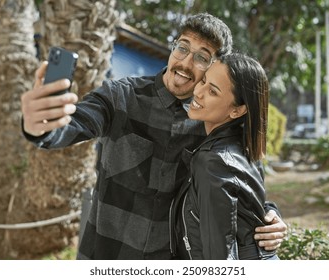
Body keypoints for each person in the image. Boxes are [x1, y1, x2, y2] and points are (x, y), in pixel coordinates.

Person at [21, 13, 287, 260]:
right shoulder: (121, 96)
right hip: (105, 256)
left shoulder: (215, 124)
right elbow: (72, 125)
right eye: (182, 48)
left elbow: (241, 186)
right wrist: (40, 125)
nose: (185, 62)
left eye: (201, 57)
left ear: (214, 68)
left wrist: (271, 215)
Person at [170, 52, 279, 260]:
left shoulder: (213, 161)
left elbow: (221, 259)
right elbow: (250, 207)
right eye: (203, 80)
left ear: (237, 110)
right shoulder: (247, 147)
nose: (198, 92)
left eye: (212, 91)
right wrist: (273, 214)